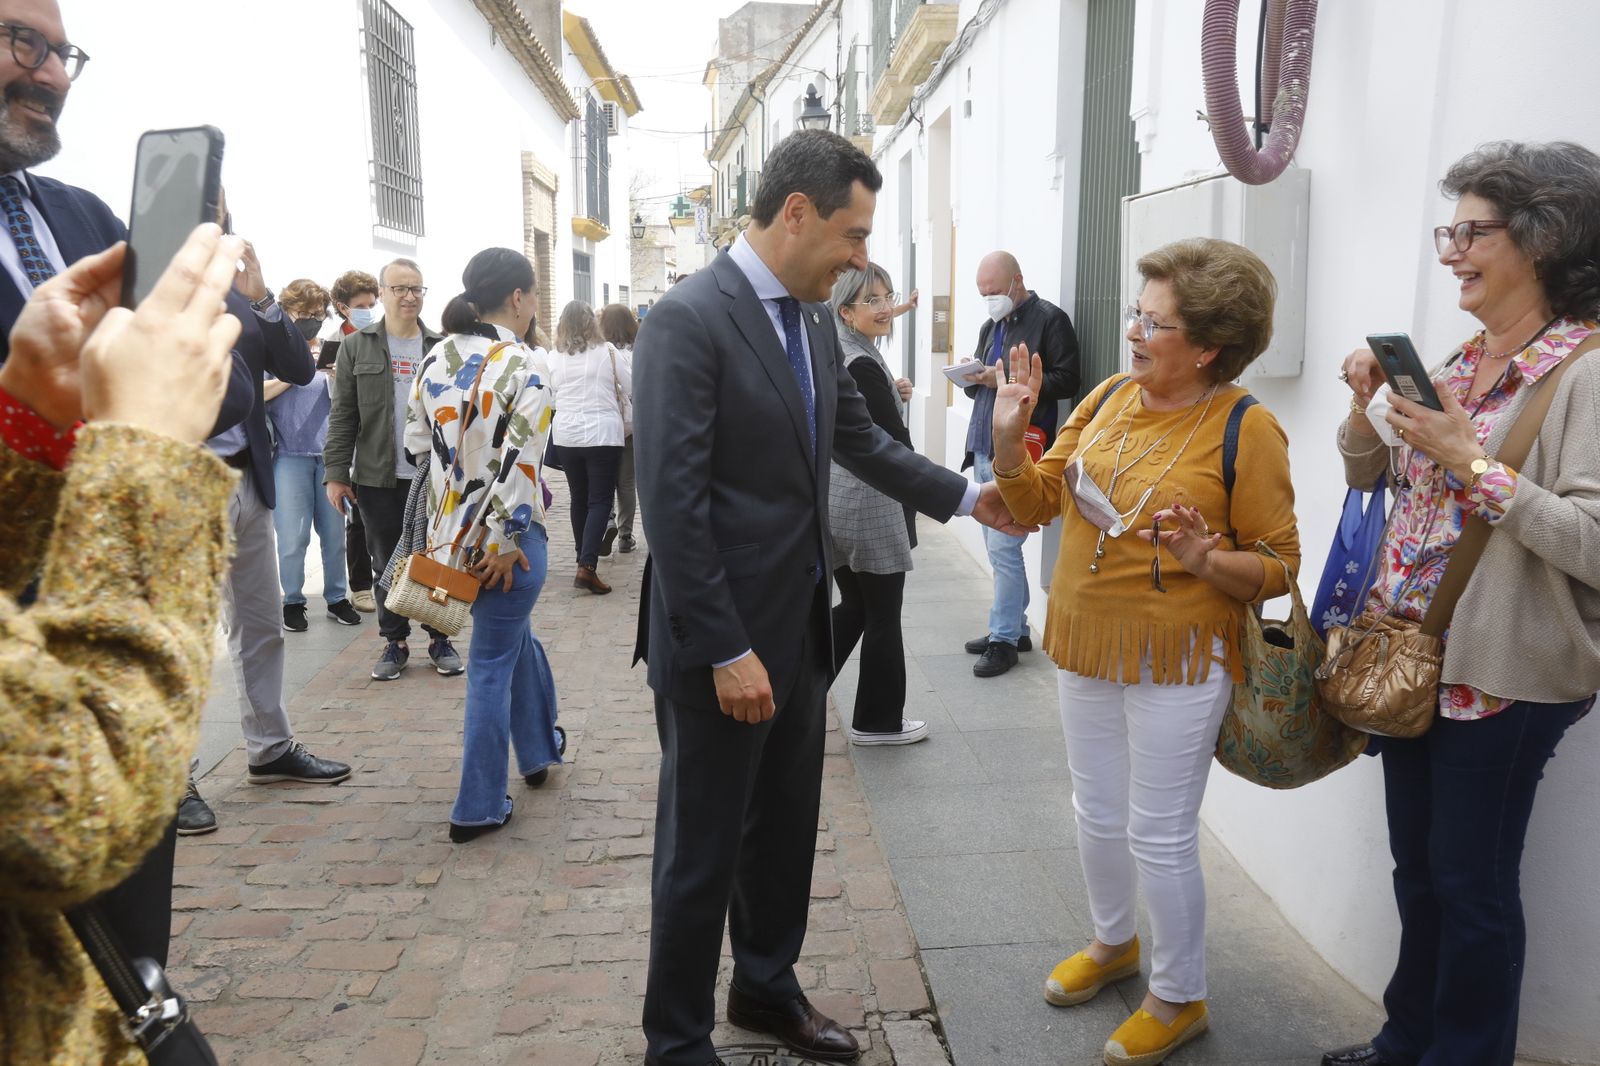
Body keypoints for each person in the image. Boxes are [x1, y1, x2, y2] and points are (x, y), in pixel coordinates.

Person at [632, 128, 1029, 1066]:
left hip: (801, 631)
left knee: (782, 838)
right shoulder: (688, 319)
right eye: (853, 236)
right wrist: (725, 649)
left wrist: (973, 498)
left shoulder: (814, 320)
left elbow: (861, 439)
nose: (861, 258)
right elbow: (674, 508)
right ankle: (676, 1040)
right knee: (701, 855)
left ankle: (766, 989)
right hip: (720, 644)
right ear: (797, 211)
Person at [1320, 141, 1600, 1066]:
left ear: (1545, 237)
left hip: (1504, 674)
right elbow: (1388, 481)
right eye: (1451, 231)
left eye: (1472, 232)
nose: (1451, 252)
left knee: (1472, 886)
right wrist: (1369, 411)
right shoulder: (1462, 356)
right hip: (1411, 660)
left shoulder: (1587, 372)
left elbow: (1593, 543)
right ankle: (1408, 1039)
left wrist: (1466, 458)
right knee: (1422, 874)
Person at [991, 238, 1297, 1066]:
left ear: (1207, 346)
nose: (1132, 331)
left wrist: (1205, 560)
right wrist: (1008, 439)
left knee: (1158, 832)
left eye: (1153, 322)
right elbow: (1038, 499)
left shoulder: (1247, 426)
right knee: (1095, 811)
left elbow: (1278, 563)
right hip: (1087, 637)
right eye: (1137, 312)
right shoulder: (1109, 397)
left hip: (1180, 654)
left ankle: (1179, 994)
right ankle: (1112, 942)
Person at [0, 223, 246, 1065]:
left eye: (76, 72)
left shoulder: (59, 206)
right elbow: (63, 802)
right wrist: (149, 459)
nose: (55, 78)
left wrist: (27, 420)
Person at [184, 196, 353, 838]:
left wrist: (263, 301)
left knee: (260, 625)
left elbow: (299, 367)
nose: (216, 217)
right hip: (180, 487)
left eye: (221, 206)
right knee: (184, 643)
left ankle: (270, 748)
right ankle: (173, 781)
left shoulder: (239, 294)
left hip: (245, 479)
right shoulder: (142, 284)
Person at [409, 248, 561, 843]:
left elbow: (416, 445)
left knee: (512, 644)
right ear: (518, 298)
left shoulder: (436, 357)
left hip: (449, 541)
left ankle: (539, 751)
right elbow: (525, 462)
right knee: (492, 664)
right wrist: (505, 538)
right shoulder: (526, 364)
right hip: (507, 545)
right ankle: (476, 804)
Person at [324, 259, 464, 680]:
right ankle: (394, 641)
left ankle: (440, 637)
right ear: (382, 293)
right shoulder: (356, 346)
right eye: (400, 288)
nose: (409, 296)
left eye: (417, 289)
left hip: (434, 477)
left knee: (438, 558)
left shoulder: (443, 348)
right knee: (386, 560)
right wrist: (336, 473)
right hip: (376, 475)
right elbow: (343, 415)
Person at [962, 251, 1081, 677]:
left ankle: (1003, 639)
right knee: (999, 548)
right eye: (983, 294)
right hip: (981, 443)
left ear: (1017, 281)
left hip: (1022, 449)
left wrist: (1008, 383)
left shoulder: (1050, 319)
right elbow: (984, 386)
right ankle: (1016, 627)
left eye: (994, 291)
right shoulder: (990, 325)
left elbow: (1069, 379)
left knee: (1004, 548)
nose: (990, 300)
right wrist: (972, 379)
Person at [825, 262, 926, 745]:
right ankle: (879, 721)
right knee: (883, 612)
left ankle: (796, 692)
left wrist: (893, 392)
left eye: (888, 297)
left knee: (857, 608)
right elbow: (894, 444)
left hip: (841, 498)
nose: (886, 308)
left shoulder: (844, 349)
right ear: (846, 311)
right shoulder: (859, 359)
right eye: (873, 301)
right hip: (869, 502)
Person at [266, 278, 360, 631]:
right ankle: (292, 600)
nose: (311, 319)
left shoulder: (333, 348)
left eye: (318, 313)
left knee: (334, 534)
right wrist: (299, 372)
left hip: (329, 455)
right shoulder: (273, 351)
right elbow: (257, 393)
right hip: (288, 455)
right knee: (292, 537)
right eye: (303, 313)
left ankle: (337, 597)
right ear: (286, 312)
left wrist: (335, 376)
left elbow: (346, 402)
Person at [547, 299, 630, 594]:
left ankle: (583, 559)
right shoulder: (607, 352)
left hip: (567, 434)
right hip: (603, 433)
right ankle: (587, 565)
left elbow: (551, 395)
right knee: (600, 500)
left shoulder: (553, 356)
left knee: (578, 497)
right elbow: (630, 386)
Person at [329, 268, 383, 613]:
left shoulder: (383, 336)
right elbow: (337, 407)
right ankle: (360, 585)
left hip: (381, 440)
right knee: (358, 518)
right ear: (343, 307)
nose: (368, 309)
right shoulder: (334, 343)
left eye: (372, 303)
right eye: (361, 304)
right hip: (352, 443)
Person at [597, 301, 639, 556]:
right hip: (631, 424)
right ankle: (625, 535)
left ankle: (607, 521)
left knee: (604, 480)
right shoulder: (639, 349)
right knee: (627, 482)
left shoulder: (600, 350)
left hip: (605, 423)